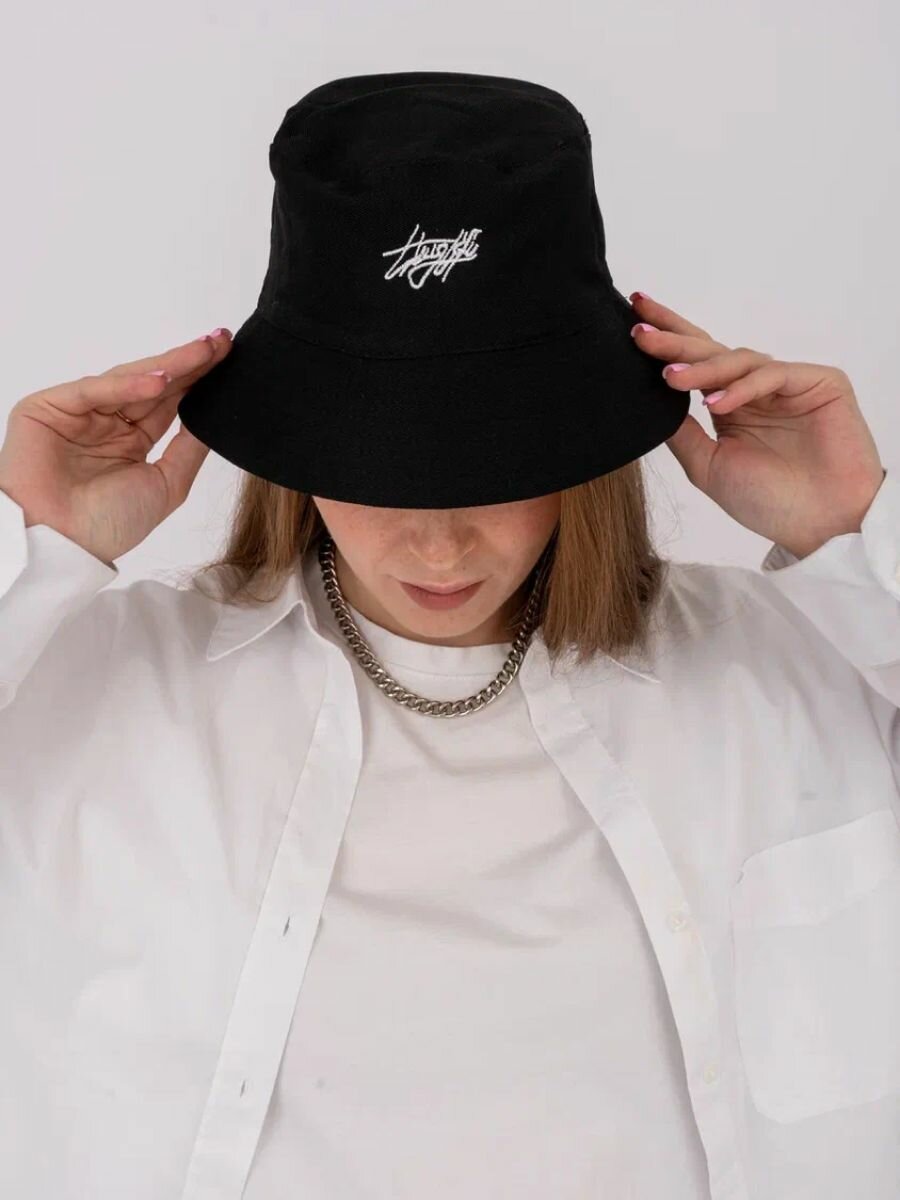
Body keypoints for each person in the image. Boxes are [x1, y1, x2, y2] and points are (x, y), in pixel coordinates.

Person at [1, 71, 899, 1200]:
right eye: (377, 461)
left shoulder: (805, 666)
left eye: (494, 459)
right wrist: (43, 557)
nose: (437, 541)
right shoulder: (84, 682)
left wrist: (853, 541)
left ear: (582, 440)